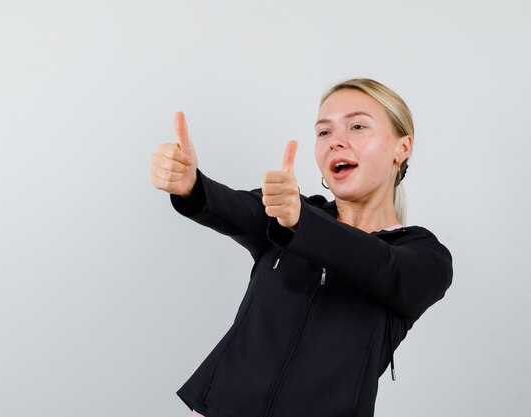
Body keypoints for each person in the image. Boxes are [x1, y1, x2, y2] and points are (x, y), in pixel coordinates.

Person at [150, 78, 453, 417]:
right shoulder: (288, 213)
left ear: (402, 147)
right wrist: (191, 186)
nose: (336, 141)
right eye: (324, 132)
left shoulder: (424, 256)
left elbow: (380, 265)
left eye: (356, 126)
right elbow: (236, 208)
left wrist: (301, 224)